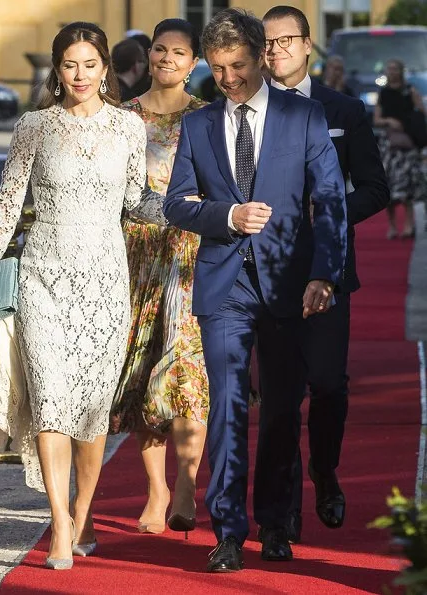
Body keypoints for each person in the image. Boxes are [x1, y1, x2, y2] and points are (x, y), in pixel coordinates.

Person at [0, 21, 163, 570]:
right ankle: (60, 526)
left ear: (106, 69)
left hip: (105, 281)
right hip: (43, 280)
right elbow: (9, 201)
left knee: (91, 412)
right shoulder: (34, 126)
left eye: (90, 64)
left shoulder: (128, 128)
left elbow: (136, 202)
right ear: (57, 69)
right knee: (52, 404)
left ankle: (84, 510)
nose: (80, 75)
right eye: (70, 64)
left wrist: (185, 205)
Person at [163, 8, 347, 571]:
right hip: (224, 286)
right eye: (217, 69)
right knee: (227, 407)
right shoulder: (197, 124)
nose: (229, 79)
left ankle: (274, 522)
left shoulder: (305, 116)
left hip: (289, 285)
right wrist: (228, 215)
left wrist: (324, 274)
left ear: (259, 57)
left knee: (282, 410)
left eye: (237, 65)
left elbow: (332, 201)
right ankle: (227, 530)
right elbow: (176, 204)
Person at [263, 5, 390, 545]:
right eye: (266, 43)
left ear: (308, 44)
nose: (276, 51)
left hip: (328, 266)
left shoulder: (344, 109)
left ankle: (325, 471)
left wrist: (330, 209)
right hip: (265, 272)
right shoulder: (247, 109)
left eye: (286, 40)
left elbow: (375, 188)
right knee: (279, 395)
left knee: (329, 386)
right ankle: (284, 507)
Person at [110, 18, 208, 538]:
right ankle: (156, 489)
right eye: (159, 50)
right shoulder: (120, 118)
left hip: (192, 259)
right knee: (144, 370)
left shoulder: (210, 118)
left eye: (179, 52)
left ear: (195, 63)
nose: (167, 59)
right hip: (133, 257)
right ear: (149, 56)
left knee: (187, 369)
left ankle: (189, 486)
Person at [374, 58, 426, 239]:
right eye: (389, 68)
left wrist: (411, 120)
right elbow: (376, 119)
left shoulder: (409, 90)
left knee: (408, 186)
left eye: (395, 68)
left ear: (401, 71)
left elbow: (421, 110)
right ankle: (392, 225)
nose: (392, 72)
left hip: (408, 143)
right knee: (389, 185)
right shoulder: (384, 93)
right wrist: (389, 121)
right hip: (389, 144)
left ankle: (409, 224)